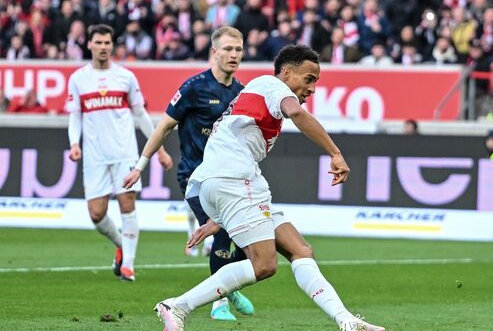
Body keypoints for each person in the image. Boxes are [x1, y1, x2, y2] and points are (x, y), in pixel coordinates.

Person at [153, 45, 384, 331]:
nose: (312, 89)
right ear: (287, 73)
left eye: (315, 82)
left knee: (300, 250)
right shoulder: (271, 85)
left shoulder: (258, 96)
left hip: (228, 182)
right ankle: (177, 306)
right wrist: (335, 153)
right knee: (264, 265)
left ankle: (346, 321)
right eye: (308, 79)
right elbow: (297, 115)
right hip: (234, 180)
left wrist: (219, 216)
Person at [122, 27, 254, 321]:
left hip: (228, 176)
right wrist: (139, 166)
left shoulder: (241, 93)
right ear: (214, 52)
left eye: (239, 49)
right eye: (229, 49)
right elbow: (164, 127)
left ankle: (228, 287)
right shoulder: (194, 87)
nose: (234, 55)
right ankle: (220, 304)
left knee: (249, 235)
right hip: (196, 176)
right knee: (219, 230)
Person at [66, 24, 172, 282]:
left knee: (127, 203)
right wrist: (74, 143)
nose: (103, 47)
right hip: (95, 156)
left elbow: (140, 114)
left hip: (125, 152)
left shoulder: (126, 76)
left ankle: (129, 266)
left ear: (112, 46)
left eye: (107, 43)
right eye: (98, 42)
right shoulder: (78, 78)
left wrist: (158, 149)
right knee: (96, 214)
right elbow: (75, 115)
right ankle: (121, 246)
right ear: (89, 44)